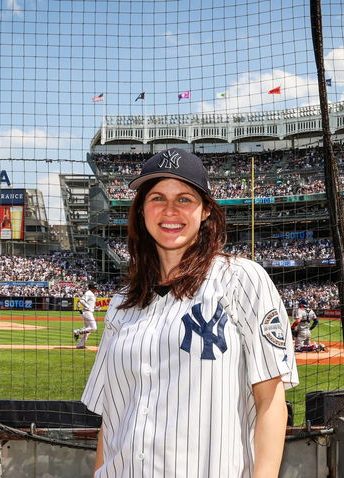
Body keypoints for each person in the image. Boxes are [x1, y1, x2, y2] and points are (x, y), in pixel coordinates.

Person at [81, 148, 298, 477]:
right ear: (141, 210)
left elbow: (270, 402)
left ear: (206, 210)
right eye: (157, 198)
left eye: (184, 198)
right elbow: (111, 421)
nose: (170, 210)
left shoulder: (242, 280)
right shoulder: (122, 303)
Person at [73, 282, 99, 349]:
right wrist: (88, 307)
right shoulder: (88, 293)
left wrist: (96, 308)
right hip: (87, 312)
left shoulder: (91, 294)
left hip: (88, 312)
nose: (96, 289)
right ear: (92, 288)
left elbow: (90, 304)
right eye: (95, 288)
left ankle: (80, 345)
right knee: (93, 328)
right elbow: (82, 301)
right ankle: (77, 331)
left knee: (87, 331)